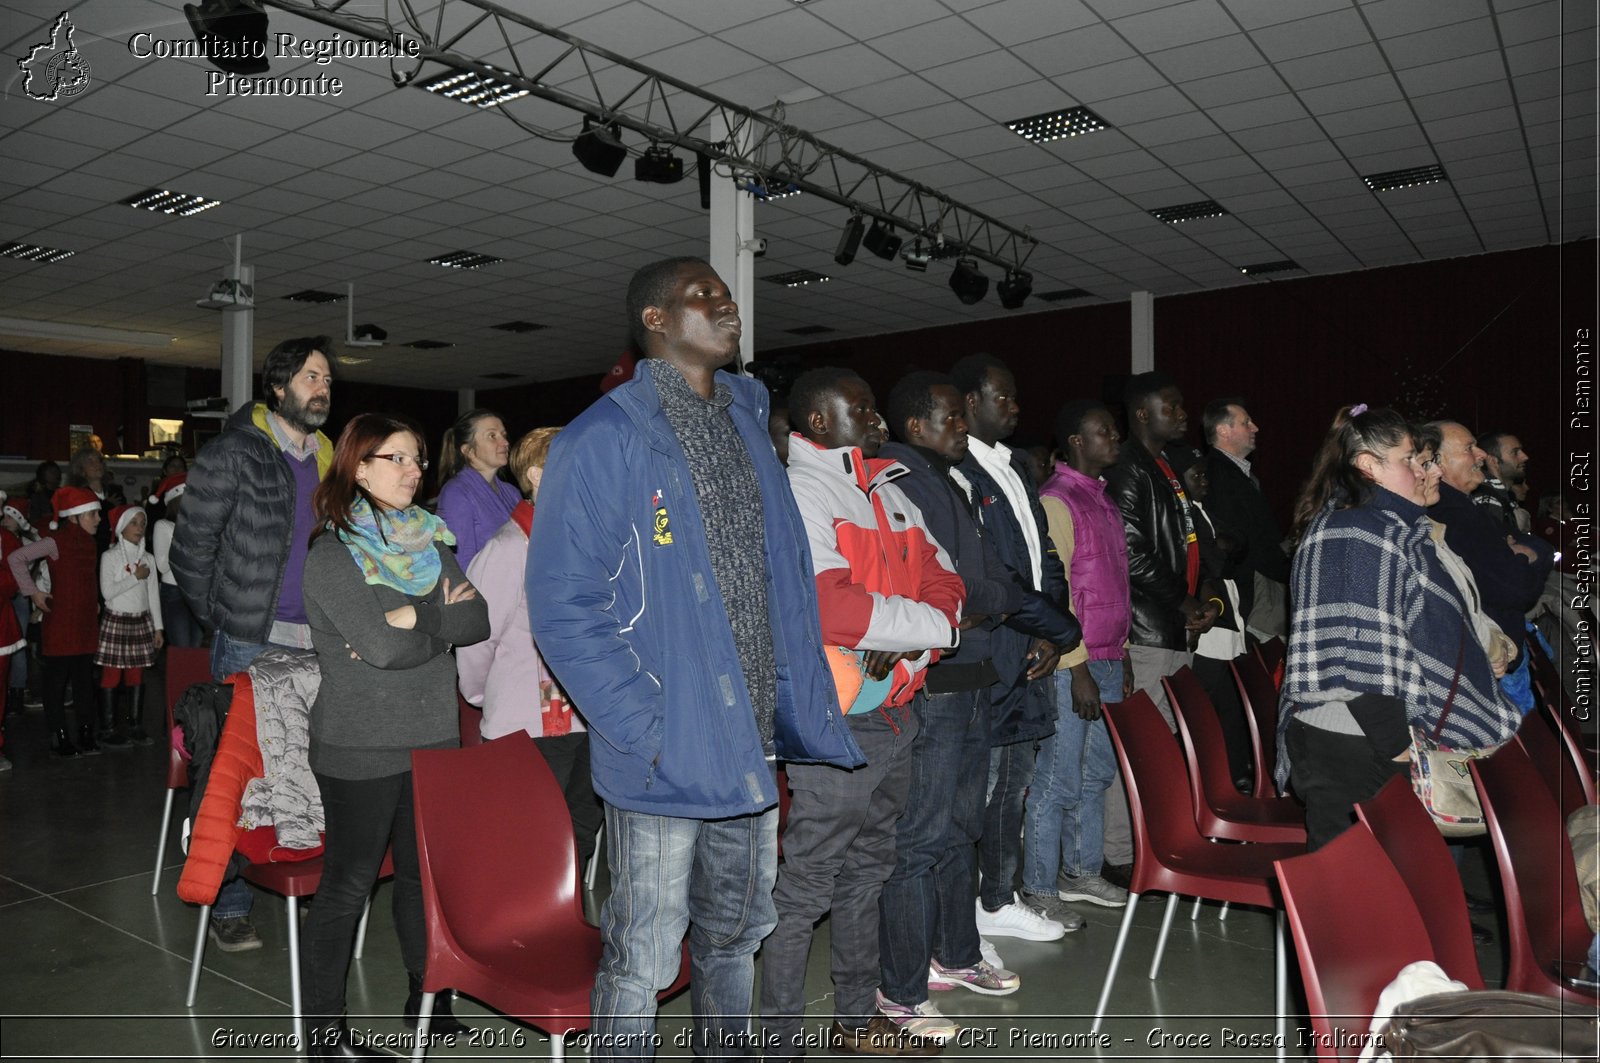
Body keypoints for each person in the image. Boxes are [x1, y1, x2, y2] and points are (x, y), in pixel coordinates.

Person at [527, 257, 862, 1062]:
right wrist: (648, 728)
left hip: (747, 740)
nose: (726, 303)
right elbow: (565, 606)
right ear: (654, 320)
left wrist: (794, 698)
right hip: (666, 750)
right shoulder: (606, 435)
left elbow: (778, 574)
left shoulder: (748, 420)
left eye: (726, 291)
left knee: (735, 934)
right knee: (643, 951)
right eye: (700, 296)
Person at [762, 367, 963, 1059]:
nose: (878, 419)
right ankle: (779, 1040)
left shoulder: (887, 487)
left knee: (870, 870)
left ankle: (854, 1022)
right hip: (837, 719)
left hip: (898, 710)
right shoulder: (800, 490)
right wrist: (927, 628)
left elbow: (948, 580)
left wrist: (911, 633)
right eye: (864, 408)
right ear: (818, 421)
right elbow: (832, 609)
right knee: (807, 884)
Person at [876, 371, 1080, 1040]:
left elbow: (992, 574)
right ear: (915, 425)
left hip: (969, 677)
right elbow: (974, 581)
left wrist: (1033, 616)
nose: (962, 424)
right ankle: (899, 990)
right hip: (938, 682)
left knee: (961, 827)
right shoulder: (909, 478)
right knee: (920, 838)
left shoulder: (946, 476)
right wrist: (1056, 625)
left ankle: (956, 953)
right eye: (949, 416)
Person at [299, 413, 489, 1059]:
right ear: (358, 466)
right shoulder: (331, 554)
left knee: (420, 878)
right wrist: (438, 623)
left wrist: (416, 615)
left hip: (433, 738)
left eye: (416, 459)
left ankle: (426, 1005)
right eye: (398, 458)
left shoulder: (430, 543)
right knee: (348, 884)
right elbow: (380, 647)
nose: (415, 470)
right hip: (360, 744)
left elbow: (480, 617)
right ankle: (325, 1038)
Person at [1278, 406, 1519, 849]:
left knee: (1385, 892)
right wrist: (1398, 752)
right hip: (1353, 740)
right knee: (1350, 897)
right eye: (1410, 458)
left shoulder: (1390, 528)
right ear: (1369, 466)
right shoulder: (1355, 533)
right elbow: (1355, 662)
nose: (1424, 469)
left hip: (1376, 733)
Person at [173, 335, 335, 953]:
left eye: (326, 380)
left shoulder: (331, 456)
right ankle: (230, 902)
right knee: (234, 772)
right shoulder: (235, 452)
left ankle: (303, 869)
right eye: (311, 377)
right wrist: (228, 616)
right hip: (251, 638)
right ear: (278, 387)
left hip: (319, 639)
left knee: (310, 769)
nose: (322, 388)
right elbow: (190, 552)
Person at [947, 354, 1081, 944]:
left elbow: (1044, 555)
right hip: (992, 649)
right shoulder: (959, 474)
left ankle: (1000, 898)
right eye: (1002, 397)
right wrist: (1058, 629)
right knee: (988, 785)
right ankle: (982, 902)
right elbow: (994, 573)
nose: (1016, 407)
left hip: (1031, 644)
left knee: (1015, 783)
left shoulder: (1016, 468)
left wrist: (1053, 631)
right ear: (970, 403)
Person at [456, 426, 602, 870]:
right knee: (530, 840)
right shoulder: (506, 549)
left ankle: (564, 921)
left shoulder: (581, 539)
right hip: (527, 722)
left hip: (585, 718)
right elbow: (476, 639)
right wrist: (484, 697)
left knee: (578, 829)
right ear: (537, 476)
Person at [1101, 371, 1217, 885]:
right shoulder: (1128, 468)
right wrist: (1184, 599)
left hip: (1172, 625)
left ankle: (1150, 839)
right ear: (1143, 414)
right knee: (1138, 746)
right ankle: (1118, 853)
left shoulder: (1163, 466)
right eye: (1173, 406)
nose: (1184, 414)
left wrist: (1197, 601)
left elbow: (1186, 543)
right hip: (1147, 630)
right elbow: (1131, 554)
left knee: (1162, 745)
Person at [1024, 401, 1134, 922]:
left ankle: (1081, 871)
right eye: (1103, 430)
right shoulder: (1057, 500)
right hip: (1075, 666)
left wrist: (1124, 651)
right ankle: (1039, 886)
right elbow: (1056, 593)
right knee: (1058, 778)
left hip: (1109, 657)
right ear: (1075, 441)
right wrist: (1078, 667)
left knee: (1097, 776)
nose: (1114, 437)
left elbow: (1114, 586)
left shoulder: (1103, 501)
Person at [1423, 420, 1552, 709]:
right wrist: (1522, 556)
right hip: (1487, 675)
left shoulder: (1468, 509)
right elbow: (1517, 590)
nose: (1480, 454)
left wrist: (1527, 554)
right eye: (1469, 448)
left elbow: (1541, 547)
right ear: (1437, 461)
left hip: (1501, 665)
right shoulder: (1451, 516)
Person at [11, 487, 103, 757]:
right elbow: (17, 558)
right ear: (74, 517)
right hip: (61, 624)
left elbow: (86, 578)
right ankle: (58, 735)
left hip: (85, 623)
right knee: (56, 683)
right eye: (93, 514)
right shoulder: (54, 541)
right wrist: (34, 592)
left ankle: (86, 733)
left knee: (85, 682)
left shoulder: (90, 541)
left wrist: (94, 600)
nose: (98, 519)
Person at [1201, 398, 1291, 640]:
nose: (1255, 428)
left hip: (1252, 591)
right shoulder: (1218, 475)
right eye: (1246, 422)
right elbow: (1246, 540)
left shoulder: (1236, 473)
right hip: (1245, 596)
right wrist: (1286, 570)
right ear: (1223, 430)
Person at [94, 505, 162, 750]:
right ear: (122, 527)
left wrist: (158, 628)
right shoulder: (109, 557)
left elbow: (154, 594)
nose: (139, 527)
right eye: (134, 523)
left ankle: (135, 725)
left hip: (141, 620)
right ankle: (107, 728)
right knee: (112, 674)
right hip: (117, 620)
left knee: (136, 674)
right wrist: (135, 577)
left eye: (142, 523)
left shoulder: (148, 559)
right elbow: (107, 592)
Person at [433, 408, 518, 570]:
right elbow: (459, 561)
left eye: (504, 435)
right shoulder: (456, 492)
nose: (505, 442)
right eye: (492, 436)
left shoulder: (512, 493)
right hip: (483, 591)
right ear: (468, 450)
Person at [149, 474, 200, 648]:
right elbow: (162, 566)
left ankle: (193, 676)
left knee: (196, 645)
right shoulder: (163, 526)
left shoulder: (198, 526)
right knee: (182, 646)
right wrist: (183, 536)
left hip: (196, 591)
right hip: (174, 591)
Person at [1472, 430, 1529, 533]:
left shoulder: (1505, 496)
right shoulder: (1487, 497)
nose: (1525, 457)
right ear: (1493, 461)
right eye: (1515, 452)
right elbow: (1494, 543)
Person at [25, 460, 61, 531]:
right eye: (52, 471)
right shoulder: (37, 495)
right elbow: (34, 518)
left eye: (57, 471)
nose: (56, 473)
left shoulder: (63, 493)